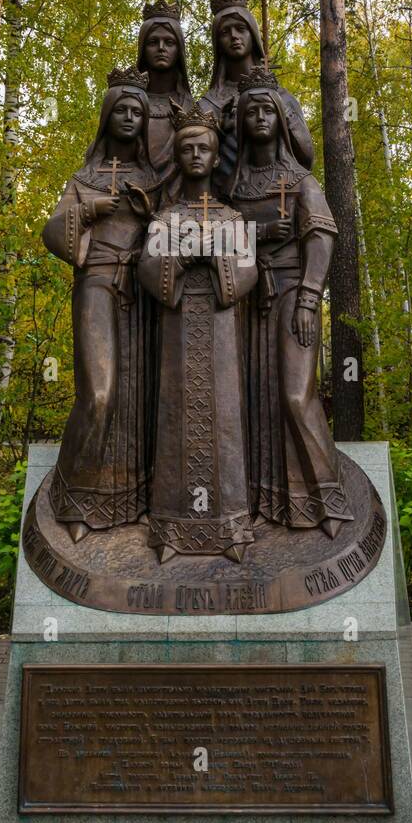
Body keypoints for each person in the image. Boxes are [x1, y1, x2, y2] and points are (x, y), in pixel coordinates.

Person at [228, 69, 353, 537]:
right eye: (251, 111)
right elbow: (216, 237)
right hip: (244, 300)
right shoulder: (234, 184)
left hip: (292, 297)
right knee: (250, 398)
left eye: (268, 110)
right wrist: (255, 235)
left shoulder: (300, 180)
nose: (259, 118)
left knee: (295, 394)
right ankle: (268, 501)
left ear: (281, 120)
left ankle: (327, 500)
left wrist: (308, 297)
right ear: (240, 122)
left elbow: (321, 236)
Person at [41, 68, 162, 539]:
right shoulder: (84, 176)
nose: (130, 118)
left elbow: (179, 227)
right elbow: (53, 232)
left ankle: (136, 499)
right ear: (106, 118)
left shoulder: (154, 178)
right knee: (100, 393)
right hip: (97, 283)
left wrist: (153, 215)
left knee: (143, 397)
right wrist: (88, 210)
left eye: (138, 112)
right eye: (122, 111)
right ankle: (74, 500)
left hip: (145, 292)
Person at [138, 102, 258, 562]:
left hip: (222, 337)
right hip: (176, 339)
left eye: (202, 147)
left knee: (223, 420)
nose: (194, 155)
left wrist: (216, 257)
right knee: (175, 418)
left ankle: (230, 530)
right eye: (186, 147)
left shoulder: (230, 218)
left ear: (214, 156)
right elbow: (149, 269)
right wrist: (182, 257)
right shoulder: (165, 218)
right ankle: (172, 527)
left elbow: (246, 272)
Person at [199, 0, 314, 187]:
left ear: (252, 34)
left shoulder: (280, 96)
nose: (234, 36)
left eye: (240, 28)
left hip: (277, 194)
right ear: (217, 42)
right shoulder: (209, 103)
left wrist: (281, 111)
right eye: (225, 32)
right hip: (226, 200)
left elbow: (306, 157)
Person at [135, 0, 193, 173]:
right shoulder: (129, 103)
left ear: (179, 50)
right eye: (153, 42)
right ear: (143, 49)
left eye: (169, 42)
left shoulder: (190, 107)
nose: (161, 48)